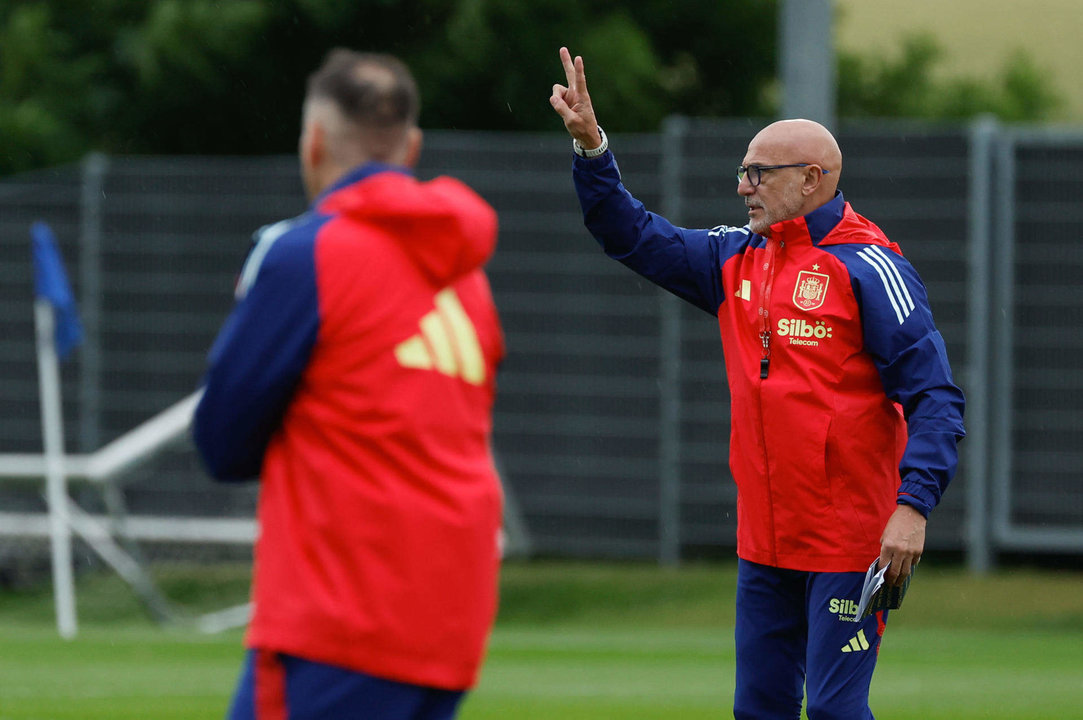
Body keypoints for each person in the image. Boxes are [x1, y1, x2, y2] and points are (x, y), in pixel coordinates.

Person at [550, 47, 965, 720]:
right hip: (765, 542)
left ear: (810, 179)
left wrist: (912, 506)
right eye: (742, 172)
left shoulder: (869, 267)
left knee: (832, 711)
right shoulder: (734, 256)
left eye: (756, 173)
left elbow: (934, 395)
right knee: (760, 709)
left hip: (848, 541)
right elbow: (627, 234)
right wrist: (592, 149)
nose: (742, 186)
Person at [193, 49, 505, 720]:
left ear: (311, 142)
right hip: (449, 618)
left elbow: (222, 443)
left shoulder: (308, 252)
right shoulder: (466, 276)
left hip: (342, 608)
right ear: (411, 146)